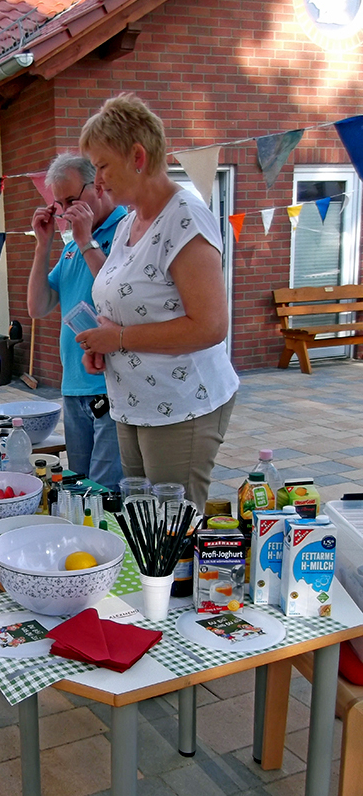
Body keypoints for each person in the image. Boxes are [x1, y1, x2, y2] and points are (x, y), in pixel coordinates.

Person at [76, 94, 239, 512]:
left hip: (182, 402)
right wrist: (102, 343)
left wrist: (120, 340)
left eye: (102, 165)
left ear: (137, 156)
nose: (98, 182)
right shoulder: (132, 220)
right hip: (134, 403)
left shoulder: (185, 217)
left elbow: (210, 326)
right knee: (144, 524)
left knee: (172, 533)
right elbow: (122, 298)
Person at [28, 153, 127, 488]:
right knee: (78, 489)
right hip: (74, 386)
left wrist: (86, 240)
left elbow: (118, 291)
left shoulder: (127, 231)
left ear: (98, 186)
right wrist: (44, 246)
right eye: (59, 204)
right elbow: (38, 307)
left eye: (72, 199)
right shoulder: (71, 248)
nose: (67, 212)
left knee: (102, 494)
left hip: (113, 386)